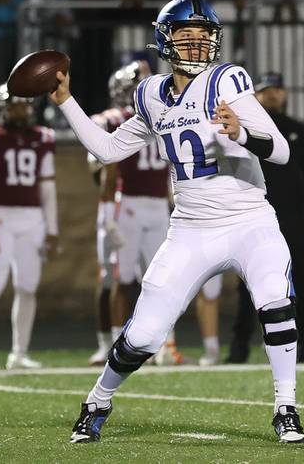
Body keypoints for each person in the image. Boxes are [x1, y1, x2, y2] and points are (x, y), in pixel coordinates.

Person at [54, 0, 304, 444]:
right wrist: (67, 101)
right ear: (164, 40)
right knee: (145, 337)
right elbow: (109, 149)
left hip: (249, 219)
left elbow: (283, 150)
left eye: (203, 35)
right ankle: (97, 400)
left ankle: (285, 407)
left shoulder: (227, 80)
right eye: (184, 36)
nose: (195, 45)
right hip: (190, 228)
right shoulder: (151, 93)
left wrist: (242, 133)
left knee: (275, 298)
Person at [87, 60, 222, 368]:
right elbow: (104, 170)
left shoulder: (166, 115)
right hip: (128, 205)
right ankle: (117, 344)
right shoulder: (111, 119)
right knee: (122, 279)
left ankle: (165, 346)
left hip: (158, 206)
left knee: (164, 279)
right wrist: (108, 216)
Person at [226, 71, 304, 364]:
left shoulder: (298, 130)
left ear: (285, 94)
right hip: (255, 216)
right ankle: (239, 346)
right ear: (256, 95)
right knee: (249, 282)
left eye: (277, 90)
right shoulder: (244, 132)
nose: (273, 95)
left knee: (301, 280)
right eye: (267, 90)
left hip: (294, 216)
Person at [0, 84, 59, 370]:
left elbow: (47, 188)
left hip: (32, 219)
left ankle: (19, 353)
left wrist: (52, 228)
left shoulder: (42, 137)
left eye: (25, 105)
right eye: (16, 105)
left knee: (27, 288)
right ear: (3, 108)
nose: (22, 111)